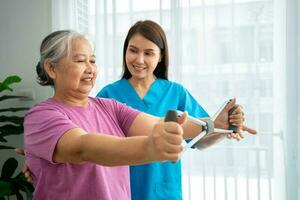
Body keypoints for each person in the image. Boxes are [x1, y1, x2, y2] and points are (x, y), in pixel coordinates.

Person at [24, 30, 250, 200]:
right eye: (81, 61)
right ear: (51, 69)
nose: (90, 68)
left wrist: (215, 123)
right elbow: (83, 147)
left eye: (92, 60)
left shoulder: (109, 106)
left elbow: (157, 125)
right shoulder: (41, 116)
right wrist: (151, 148)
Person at [96, 20, 257, 200]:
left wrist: (224, 127)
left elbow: (200, 140)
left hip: (164, 192)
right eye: (133, 50)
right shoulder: (107, 95)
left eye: (148, 53)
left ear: (161, 56)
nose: (139, 59)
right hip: (120, 190)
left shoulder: (176, 93)